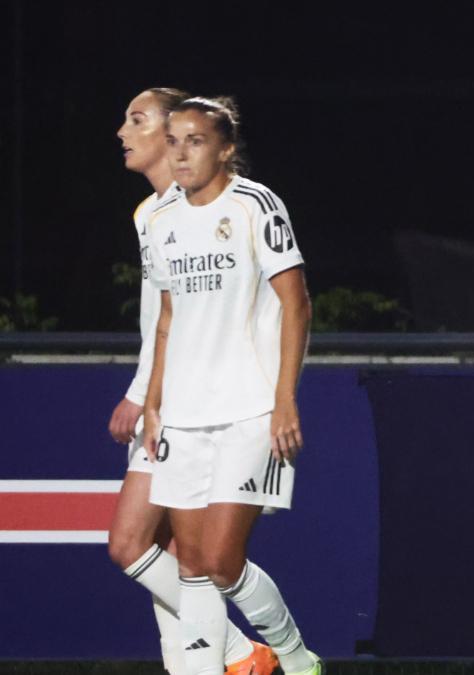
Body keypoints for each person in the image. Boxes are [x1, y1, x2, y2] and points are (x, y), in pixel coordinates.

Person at [142, 96, 322, 675]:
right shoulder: (160, 220)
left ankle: (296, 658)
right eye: (173, 141)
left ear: (225, 150)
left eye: (195, 141)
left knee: (222, 560)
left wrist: (284, 399)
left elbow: (297, 304)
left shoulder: (254, 205)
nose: (181, 153)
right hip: (183, 415)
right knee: (191, 563)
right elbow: (167, 319)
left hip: (249, 410)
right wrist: (153, 404)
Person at [110, 87, 277, 675]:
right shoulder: (151, 215)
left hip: (210, 406)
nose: (122, 132)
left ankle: (244, 653)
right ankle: (213, 662)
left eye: (136, 120)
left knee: (139, 545)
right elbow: (161, 317)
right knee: (166, 552)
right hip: (168, 401)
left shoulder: (227, 206)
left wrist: (141, 394)